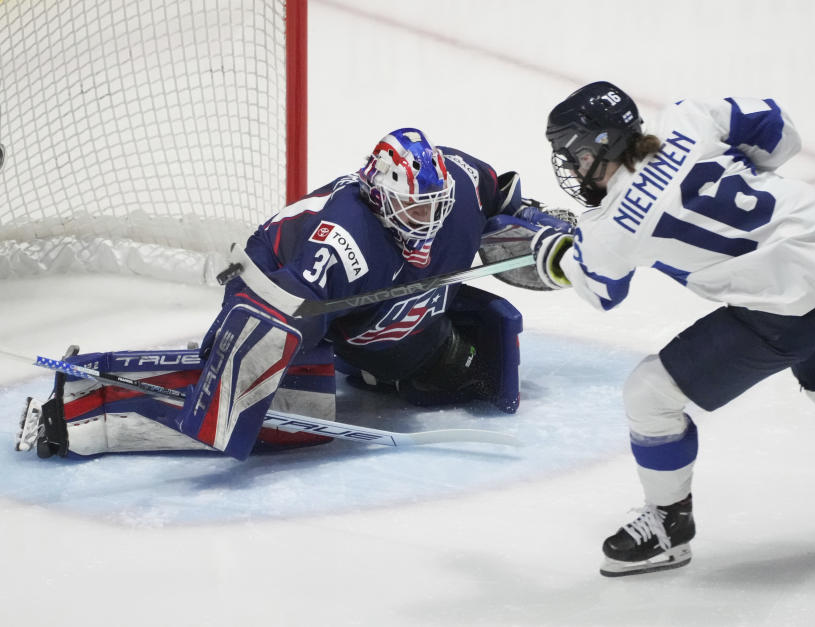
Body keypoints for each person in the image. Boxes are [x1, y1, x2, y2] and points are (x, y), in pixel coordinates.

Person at [531, 82, 815, 577]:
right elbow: (777, 130)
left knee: (649, 394)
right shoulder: (686, 118)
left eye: (571, 156)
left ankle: (668, 527)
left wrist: (551, 250)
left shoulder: (613, 225)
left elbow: (600, 291)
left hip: (787, 313)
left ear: (593, 148)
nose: (572, 170)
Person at [18, 127, 569, 460]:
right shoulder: (342, 243)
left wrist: (550, 243)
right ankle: (82, 406)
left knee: (451, 371)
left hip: (375, 304)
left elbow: (506, 202)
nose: (425, 222)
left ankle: (376, 369)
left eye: (433, 208)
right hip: (273, 282)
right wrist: (237, 396)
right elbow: (271, 317)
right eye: (413, 209)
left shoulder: (461, 179)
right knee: (294, 406)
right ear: (381, 197)